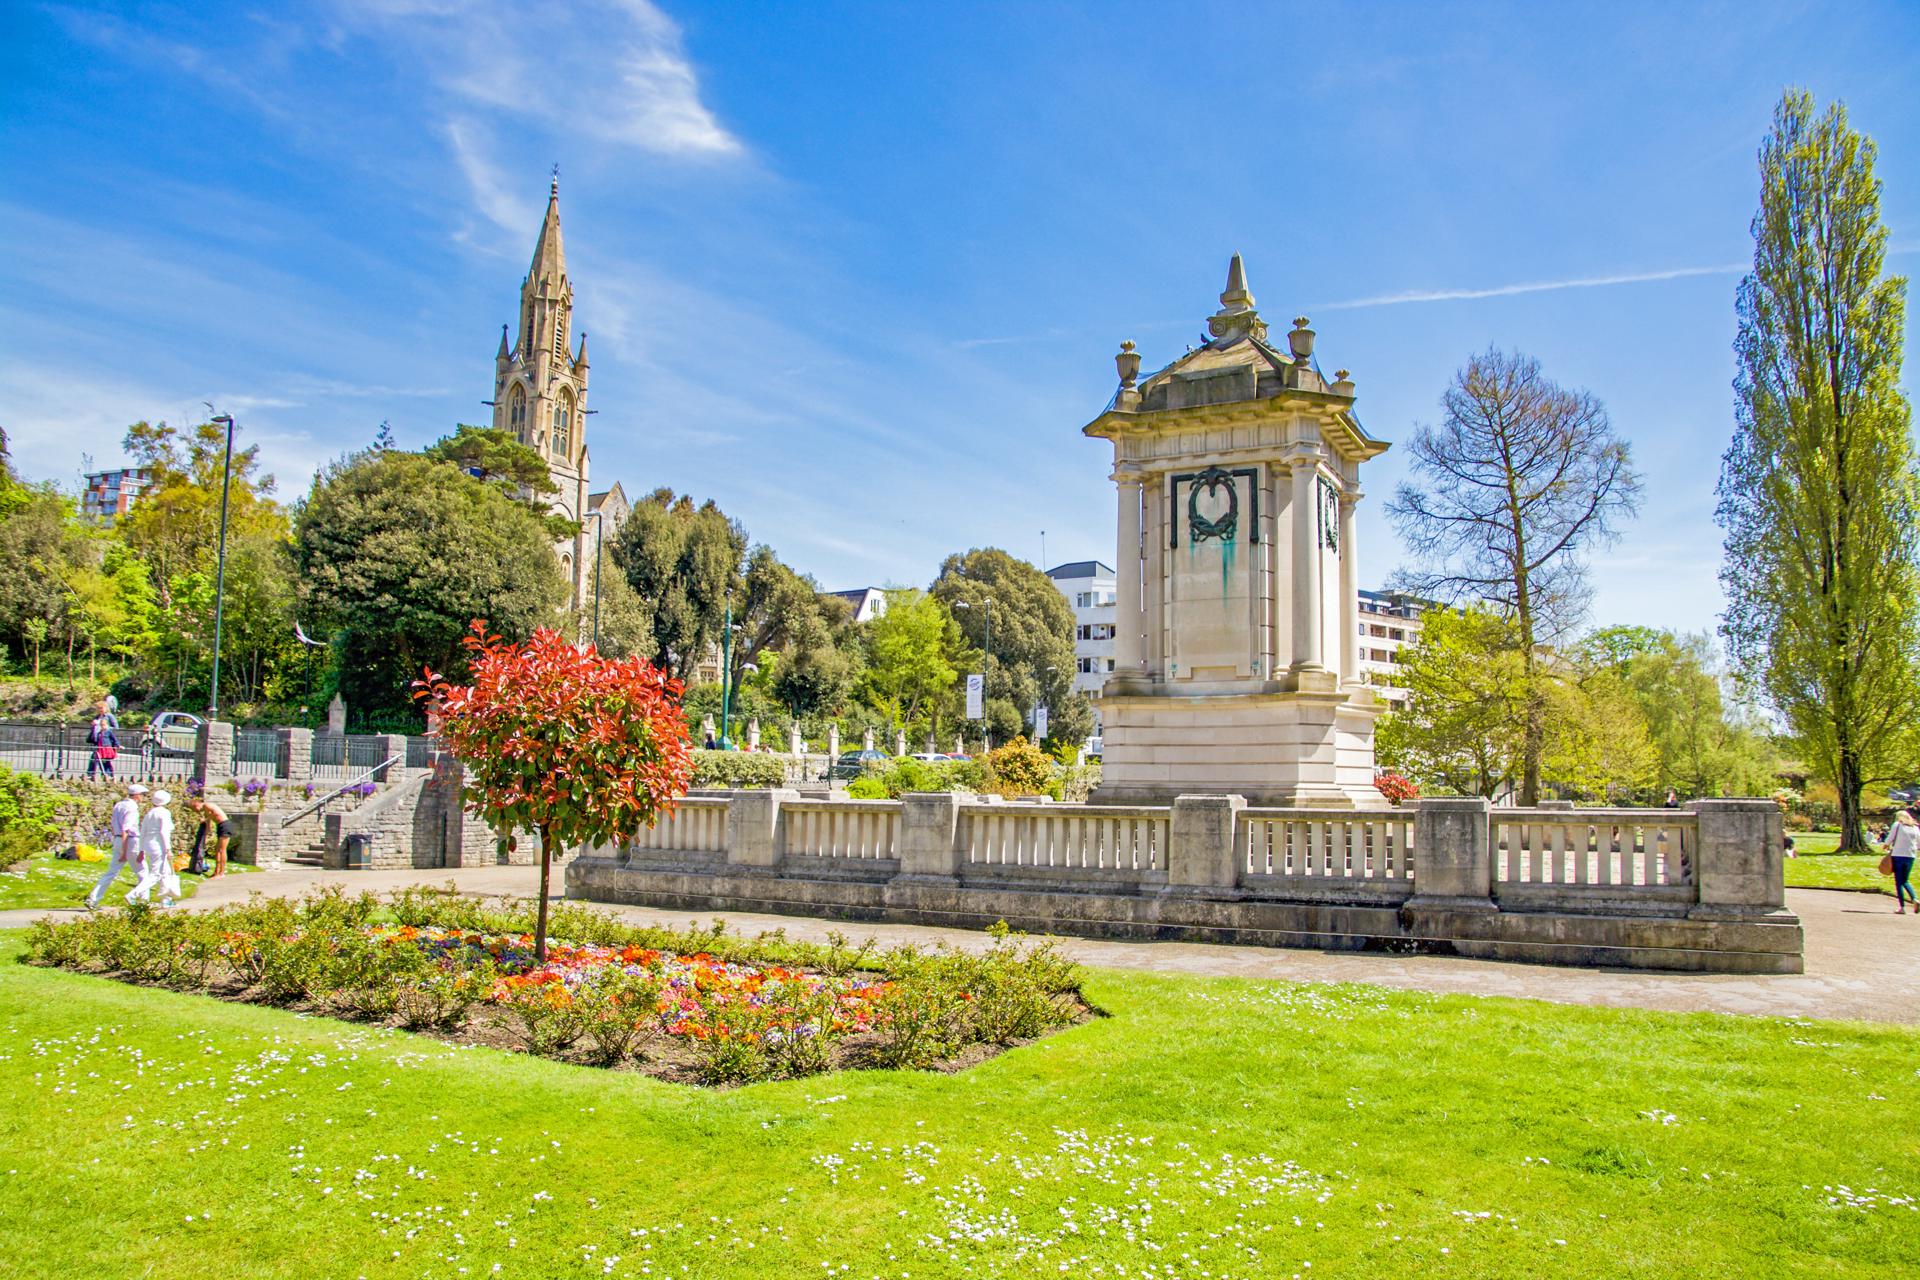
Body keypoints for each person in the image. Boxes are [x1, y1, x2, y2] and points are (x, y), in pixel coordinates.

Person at [85, 782, 147, 911]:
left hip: (118, 839)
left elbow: (115, 825)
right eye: (142, 795)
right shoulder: (132, 808)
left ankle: (93, 898)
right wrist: (125, 851)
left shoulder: (119, 805)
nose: (143, 798)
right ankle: (142, 901)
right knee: (142, 872)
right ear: (136, 796)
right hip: (129, 841)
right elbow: (126, 829)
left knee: (111, 871)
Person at [127, 789, 180, 908]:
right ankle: (133, 894)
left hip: (149, 844)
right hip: (159, 844)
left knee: (165, 871)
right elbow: (164, 831)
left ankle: (166, 899)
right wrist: (168, 849)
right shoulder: (164, 813)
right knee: (156, 874)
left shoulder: (149, 813)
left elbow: (143, 831)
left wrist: (141, 850)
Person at [185, 793, 233, 878]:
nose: (196, 811)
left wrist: (206, 819)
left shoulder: (207, 805)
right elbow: (208, 823)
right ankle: (216, 872)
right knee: (217, 850)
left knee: (222, 850)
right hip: (220, 826)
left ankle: (221, 873)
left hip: (225, 825)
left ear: (196, 804)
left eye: (194, 808)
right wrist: (206, 835)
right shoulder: (205, 812)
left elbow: (214, 814)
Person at [1885, 807, 1920, 915]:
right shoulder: (1915, 828)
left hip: (1898, 854)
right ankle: (1914, 898)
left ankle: (1902, 907)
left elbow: (1890, 838)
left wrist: (1886, 845)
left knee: (1899, 882)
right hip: (1911, 855)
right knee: (1905, 880)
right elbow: (1918, 843)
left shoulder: (1898, 825)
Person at [86, 701, 119, 780]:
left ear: (105, 708)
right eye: (99, 708)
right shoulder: (97, 717)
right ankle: (92, 774)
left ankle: (107, 774)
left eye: (102, 708)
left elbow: (116, 727)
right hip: (97, 739)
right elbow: (94, 728)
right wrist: (93, 725)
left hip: (105, 741)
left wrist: (106, 728)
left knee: (103, 759)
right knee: (95, 757)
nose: (100, 710)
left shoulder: (109, 716)